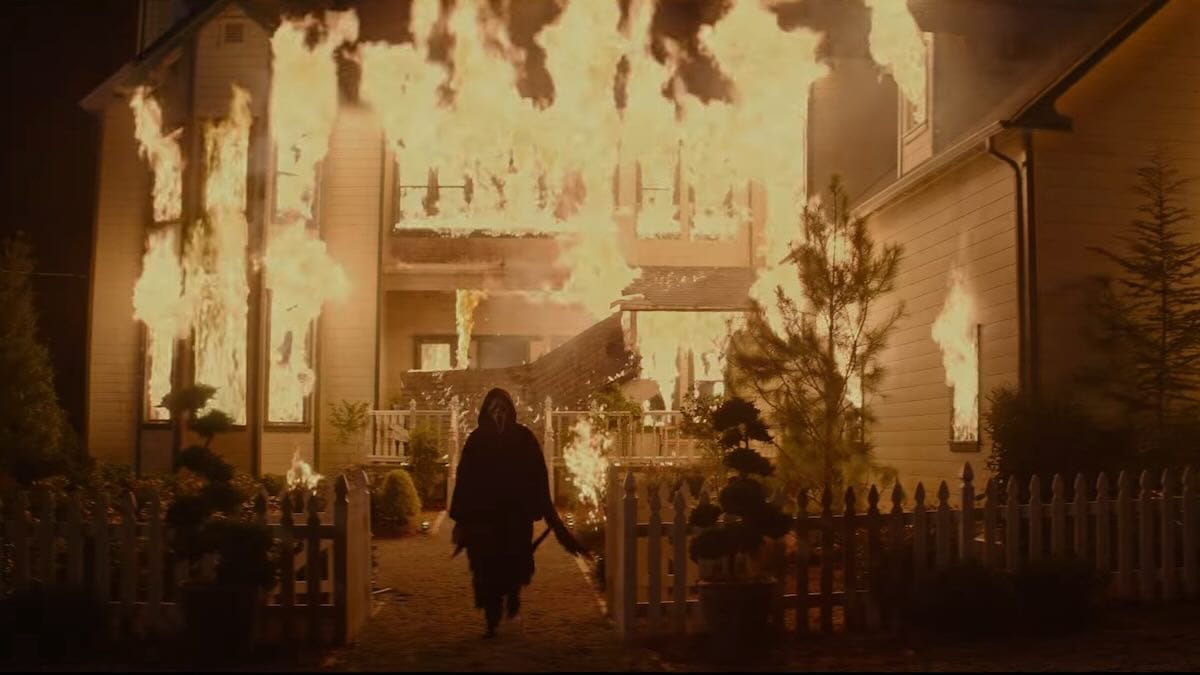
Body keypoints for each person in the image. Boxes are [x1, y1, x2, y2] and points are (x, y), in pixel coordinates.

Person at [449, 388, 585, 638]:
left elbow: (538, 478)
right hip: (484, 522)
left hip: (515, 520)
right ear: (487, 412)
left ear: (510, 411)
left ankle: (512, 600)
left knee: (512, 567)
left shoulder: (524, 439)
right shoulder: (476, 441)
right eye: (494, 409)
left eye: (503, 408)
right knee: (486, 570)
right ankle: (491, 620)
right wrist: (461, 520)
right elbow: (465, 479)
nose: (498, 413)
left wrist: (551, 518)